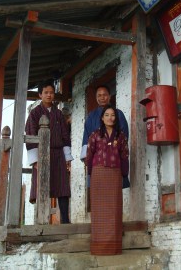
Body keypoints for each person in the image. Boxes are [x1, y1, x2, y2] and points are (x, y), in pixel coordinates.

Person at [25, 81, 73, 224]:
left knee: (63, 187)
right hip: (42, 156)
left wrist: (67, 157)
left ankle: (65, 220)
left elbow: (65, 135)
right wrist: (35, 160)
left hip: (58, 155)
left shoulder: (58, 114)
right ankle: (42, 220)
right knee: (43, 187)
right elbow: (31, 135)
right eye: (46, 92)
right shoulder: (34, 114)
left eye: (51, 92)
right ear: (40, 95)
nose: (49, 95)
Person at [86, 105, 129, 255]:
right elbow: (89, 154)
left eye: (113, 115)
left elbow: (124, 155)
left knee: (114, 209)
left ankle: (114, 247)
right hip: (98, 174)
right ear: (102, 118)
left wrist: (124, 173)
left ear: (115, 118)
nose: (110, 118)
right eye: (107, 115)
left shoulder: (120, 136)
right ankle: (99, 246)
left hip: (115, 174)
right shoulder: (95, 135)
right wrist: (90, 172)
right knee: (99, 210)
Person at [80, 85, 128, 161]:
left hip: (115, 155)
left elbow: (124, 135)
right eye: (99, 95)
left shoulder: (118, 114)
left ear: (109, 96)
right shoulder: (91, 116)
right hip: (96, 157)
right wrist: (86, 156)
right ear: (96, 98)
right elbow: (87, 136)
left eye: (105, 95)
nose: (102, 98)